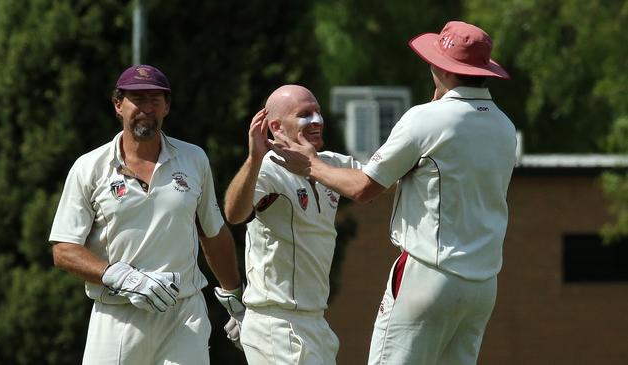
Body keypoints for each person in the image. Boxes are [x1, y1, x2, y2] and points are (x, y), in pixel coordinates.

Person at [268, 21, 517, 365]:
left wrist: (310, 165)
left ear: (441, 68)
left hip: (428, 274)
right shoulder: (504, 126)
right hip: (483, 285)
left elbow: (364, 188)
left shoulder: (426, 119)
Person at [49, 64, 243, 365]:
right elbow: (63, 249)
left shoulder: (193, 159)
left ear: (167, 106)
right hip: (118, 313)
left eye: (155, 99)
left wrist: (235, 299)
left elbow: (212, 233)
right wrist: (120, 276)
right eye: (137, 99)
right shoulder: (89, 167)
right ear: (118, 105)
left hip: (183, 314)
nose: (146, 108)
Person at [223, 85, 362, 364]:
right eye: (305, 114)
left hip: (316, 321)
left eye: (318, 113)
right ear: (275, 126)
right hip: (277, 323)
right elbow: (234, 214)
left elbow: (378, 183)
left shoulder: (331, 164)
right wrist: (254, 158)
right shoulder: (268, 168)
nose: (317, 121)